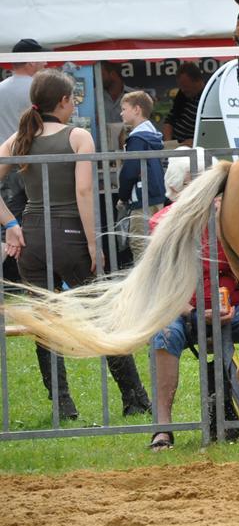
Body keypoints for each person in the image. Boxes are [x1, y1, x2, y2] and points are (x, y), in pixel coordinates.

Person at [0, 69, 151, 421]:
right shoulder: (79, 136)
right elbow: (84, 192)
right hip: (70, 236)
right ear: (64, 101)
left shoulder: (20, 137)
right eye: (72, 101)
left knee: (44, 323)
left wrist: (10, 225)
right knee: (103, 317)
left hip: (32, 237)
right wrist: (93, 244)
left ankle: (63, 405)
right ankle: (134, 398)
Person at [147, 154, 239, 450]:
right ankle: (163, 428)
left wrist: (224, 225)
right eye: (193, 185)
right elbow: (162, 287)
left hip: (236, 305)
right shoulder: (162, 224)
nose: (204, 192)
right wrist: (195, 313)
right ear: (176, 191)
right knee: (164, 334)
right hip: (182, 308)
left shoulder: (230, 219)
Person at [0, 39, 45, 283]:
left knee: (10, 221)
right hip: (34, 164)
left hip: (5, 163)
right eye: (41, 59)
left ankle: (11, 278)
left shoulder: (1, 89)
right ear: (30, 62)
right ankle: (35, 277)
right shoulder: (38, 90)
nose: (45, 63)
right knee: (39, 219)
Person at [116, 91, 167, 264]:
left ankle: (146, 281)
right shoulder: (153, 135)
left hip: (141, 199)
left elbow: (130, 171)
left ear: (137, 109)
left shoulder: (137, 139)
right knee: (155, 245)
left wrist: (123, 196)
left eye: (124, 109)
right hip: (156, 197)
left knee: (139, 244)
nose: (121, 113)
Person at [162, 62, 207, 146]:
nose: (183, 90)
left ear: (198, 81)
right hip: (174, 145)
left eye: (185, 86)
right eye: (180, 86)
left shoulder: (209, 99)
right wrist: (168, 142)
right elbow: (170, 120)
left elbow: (210, 132)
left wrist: (196, 141)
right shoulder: (182, 94)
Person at [99, 62, 136, 126]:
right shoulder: (95, 96)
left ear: (113, 74)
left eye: (102, 75)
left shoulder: (134, 96)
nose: (99, 79)